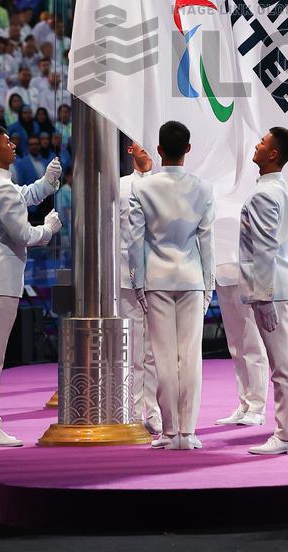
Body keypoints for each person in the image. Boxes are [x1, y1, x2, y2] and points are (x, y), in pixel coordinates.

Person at [0, 124, 62, 446]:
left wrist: (46, 184)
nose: (13, 145)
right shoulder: (0, 187)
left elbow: (22, 196)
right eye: (7, 142)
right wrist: (47, 229)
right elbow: (23, 234)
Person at [128, 121, 214, 451]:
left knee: (163, 359)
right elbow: (207, 243)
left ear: (160, 150)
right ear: (188, 149)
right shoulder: (203, 188)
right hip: (191, 278)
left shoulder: (143, 188)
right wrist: (208, 286)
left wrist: (137, 284)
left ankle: (169, 432)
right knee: (190, 357)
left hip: (157, 280)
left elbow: (134, 242)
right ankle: (187, 432)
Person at [239, 128, 288, 456]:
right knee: (286, 364)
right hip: (281, 285)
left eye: (262, 142)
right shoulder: (278, 189)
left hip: (274, 288)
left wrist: (263, 295)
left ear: (273, 154)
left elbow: (265, 249)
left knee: (283, 366)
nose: (256, 145)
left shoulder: (266, 194)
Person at [119, 141, 161, 435]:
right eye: (139, 143)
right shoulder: (119, 186)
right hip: (126, 276)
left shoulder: (164, 184)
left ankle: (154, 410)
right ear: (130, 149)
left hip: (160, 275)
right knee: (131, 348)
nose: (144, 148)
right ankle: (131, 410)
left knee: (155, 351)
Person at [214, 251, 269, 428]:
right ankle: (244, 403)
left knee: (252, 343)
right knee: (235, 344)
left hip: (245, 269)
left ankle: (257, 407)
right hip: (221, 271)